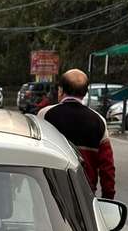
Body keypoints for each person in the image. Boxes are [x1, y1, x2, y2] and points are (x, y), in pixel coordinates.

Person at [38, 69, 116, 199]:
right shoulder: (99, 120)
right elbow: (107, 166)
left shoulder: (45, 115)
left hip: (51, 190)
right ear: (85, 93)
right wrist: (108, 198)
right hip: (85, 194)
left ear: (61, 90)